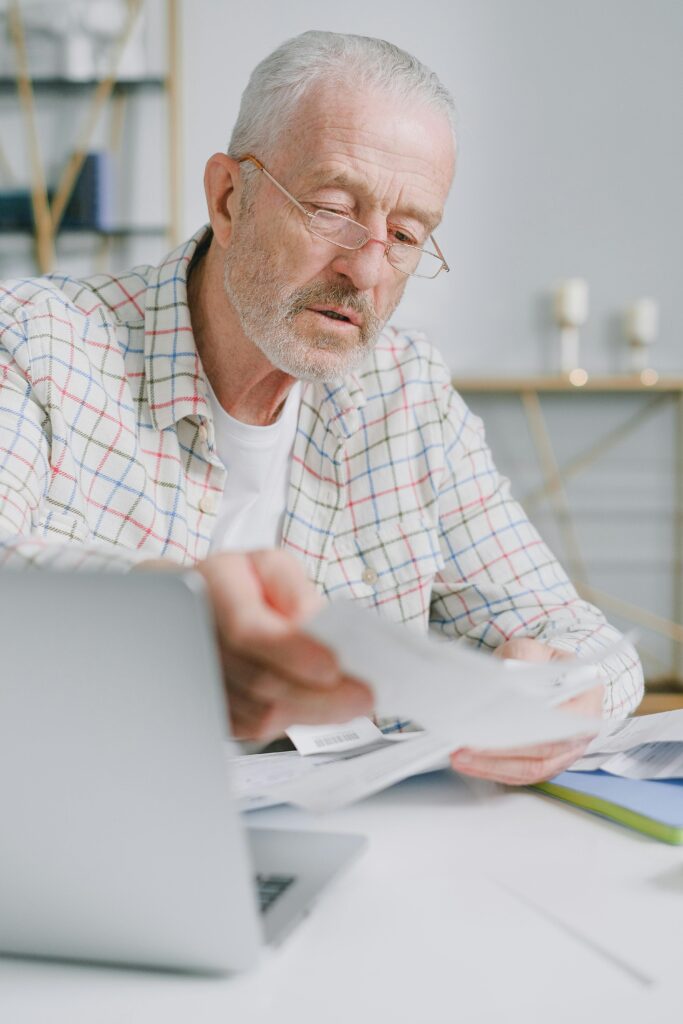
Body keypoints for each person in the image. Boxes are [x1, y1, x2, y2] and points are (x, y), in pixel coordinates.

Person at [0, 31, 643, 784]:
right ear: (229, 197)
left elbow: (582, 638)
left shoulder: (406, 395)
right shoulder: (37, 342)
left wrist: (564, 698)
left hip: (359, 841)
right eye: (333, 209)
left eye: (405, 235)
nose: (366, 268)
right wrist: (164, 613)